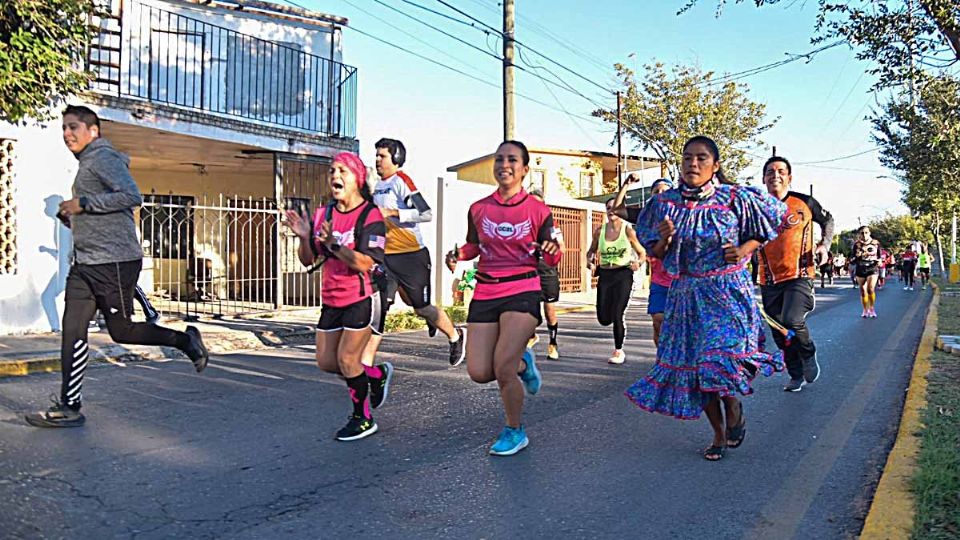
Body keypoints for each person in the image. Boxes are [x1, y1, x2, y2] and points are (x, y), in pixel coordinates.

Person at [25, 105, 209, 428]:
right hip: (86, 263)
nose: (67, 134)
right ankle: (69, 406)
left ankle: (185, 341)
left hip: (114, 261)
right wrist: (74, 219)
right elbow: (103, 213)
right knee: (72, 330)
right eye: (63, 129)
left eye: (73, 128)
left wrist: (84, 204)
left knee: (122, 330)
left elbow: (131, 196)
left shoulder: (103, 158)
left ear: (92, 131)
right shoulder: (87, 164)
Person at [625, 136, 786, 461]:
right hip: (686, 295)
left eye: (701, 158)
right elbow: (656, 251)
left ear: (715, 166)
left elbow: (769, 225)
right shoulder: (664, 204)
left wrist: (743, 249)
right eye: (687, 158)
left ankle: (733, 406)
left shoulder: (735, 198)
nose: (693, 164)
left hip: (727, 293)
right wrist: (664, 240)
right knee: (696, 370)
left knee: (719, 361)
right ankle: (717, 433)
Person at [444, 140, 562, 456]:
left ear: (524, 169)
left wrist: (551, 252)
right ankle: (525, 362)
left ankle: (515, 430)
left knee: (502, 367)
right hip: (485, 290)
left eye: (512, 160)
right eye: (499, 159)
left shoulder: (538, 211)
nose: (504, 165)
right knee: (480, 372)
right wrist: (458, 255)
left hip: (522, 290)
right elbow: (473, 246)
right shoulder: (479, 208)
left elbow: (552, 255)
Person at [285, 152, 393, 441]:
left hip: (361, 296)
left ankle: (363, 418)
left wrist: (334, 245)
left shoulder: (370, 215)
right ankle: (376, 375)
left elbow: (365, 263)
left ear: (357, 178)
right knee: (327, 363)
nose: (335, 176)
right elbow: (308, 260)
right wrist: (303, 238)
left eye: (342, 171)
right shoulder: (324, 214)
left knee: (347, 360)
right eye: (332, 171)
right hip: (331, 298)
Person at [361, 138, 465, 368]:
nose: (377, 160)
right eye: (376, 155)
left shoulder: (401, 181)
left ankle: (455, 336)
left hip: (412, 257)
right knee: (381, 305)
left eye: (382, 156)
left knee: (421, 307)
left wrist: (392, 212)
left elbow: (426, 213)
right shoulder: (377, 186)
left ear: (396, 158)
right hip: (386, 258)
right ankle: (366, 364)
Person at [755, 156, 834, 393]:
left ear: (789, 177)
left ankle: (808, 353)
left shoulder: (805, 202)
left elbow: (828, 220)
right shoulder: (757, 207)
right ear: (763, 178)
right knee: (780, 332)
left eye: (780, 171)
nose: (775, 175)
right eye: (770, 172)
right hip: (768, 279)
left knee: (792, 319)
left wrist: (825, 245)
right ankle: (795, 373)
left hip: (800, 273)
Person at [612, 177, 674, 347]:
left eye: (665, 191)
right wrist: (625, 185)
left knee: (680, 327)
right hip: (659, 281)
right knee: (658, 320)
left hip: (681, 282)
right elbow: (617, 209)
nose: (660, 194)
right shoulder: (646, 216)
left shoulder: (682, 214)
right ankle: (662, 361)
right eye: (656, 191)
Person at [527, 189, 562, 360]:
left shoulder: (551, 227)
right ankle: (531, 335)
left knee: (549, 309)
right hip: (529, 272)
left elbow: (560, 246)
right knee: (527, 308)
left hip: (547, 271)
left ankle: (553, 343)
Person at [851, 226, 882, 317]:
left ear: (869, 233)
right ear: (859, 234)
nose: (864, 235)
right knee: (863, 291)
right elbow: (852, 259)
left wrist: (879, 261)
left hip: (872, 268)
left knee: (870, 289)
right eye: (862, 233)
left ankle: (871, 308)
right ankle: (865, 309)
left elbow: (880, 256)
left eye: (866, 232)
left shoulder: (875, 243)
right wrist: (858, 256)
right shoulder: (857, 245)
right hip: (861, 268)